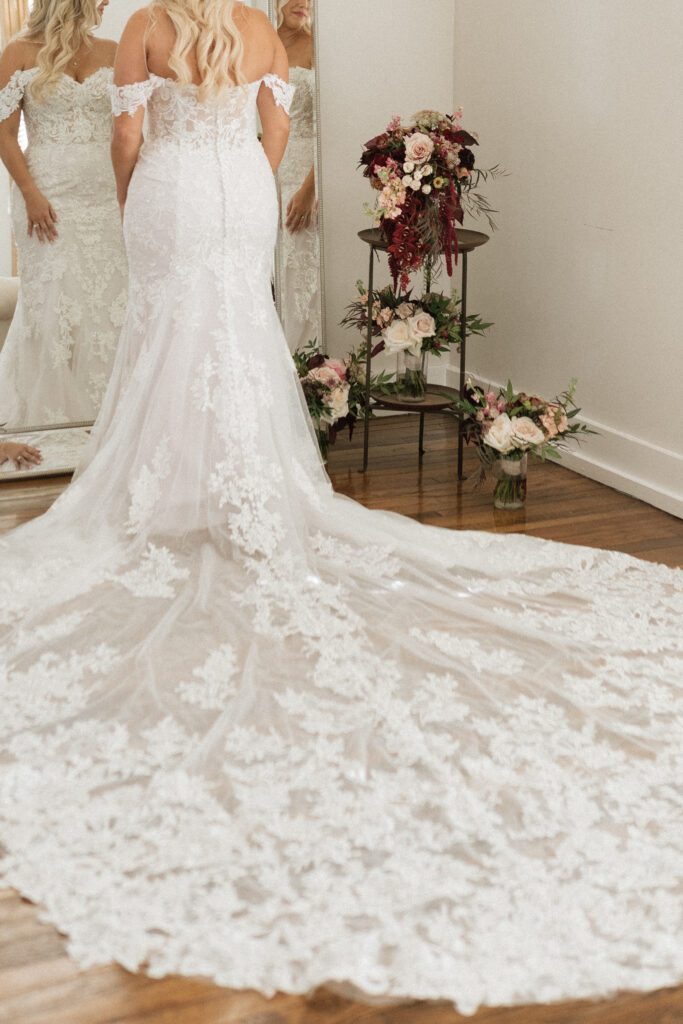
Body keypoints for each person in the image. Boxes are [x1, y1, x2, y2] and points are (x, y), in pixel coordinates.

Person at [0, 1, 680, 1016]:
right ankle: (234, 487)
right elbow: (276, 133)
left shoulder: (148, 23)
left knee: (168, 333)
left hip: (174, 193)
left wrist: (142, 196)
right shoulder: (258, 28)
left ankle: (169, 490)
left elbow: (127, 137)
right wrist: (246, 185)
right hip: (241, 191)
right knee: (236, 334)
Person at [0, 0, 127, 427]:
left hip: (106, 200)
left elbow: (129, 129)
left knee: (109, 301)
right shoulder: (18, 52)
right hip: (46, 200)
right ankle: (53, 420)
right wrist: (29, 193)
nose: (107, 2)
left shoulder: (112, 51)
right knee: (55, 303)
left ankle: (109, 419)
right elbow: (3, 132)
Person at [276, 0, 321, 351]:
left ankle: (308, 361)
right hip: (265, 174)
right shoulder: (258, 43)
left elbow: (330, 123)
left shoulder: (317, 47)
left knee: (301, 273)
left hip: (304, 177)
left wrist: (310, 188)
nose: (303, 3)